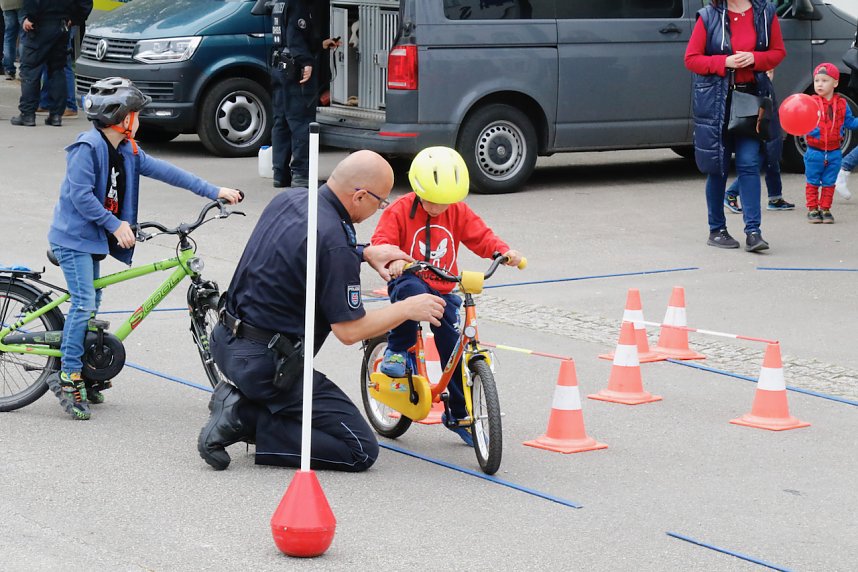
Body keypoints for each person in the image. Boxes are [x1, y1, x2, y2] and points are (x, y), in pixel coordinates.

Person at [198, 150, 445, 472]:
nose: (379, 209)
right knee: (359, 449)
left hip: (225, 342)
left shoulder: (291, 199)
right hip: (266, 367)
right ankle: (243, 416)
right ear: (359, 196)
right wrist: (407, 308)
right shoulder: (335, 242)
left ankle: (247, 404)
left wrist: (363, 252)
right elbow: (350, 331)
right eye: (381, 202)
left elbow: (307, 247)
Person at [46, 77, 242, 420]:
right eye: (136, 114)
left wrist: (214, 190)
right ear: (123, 119)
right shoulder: (87, 148)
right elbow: (80, 196)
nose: (139, 120)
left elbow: (168, 172)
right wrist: (114, 224)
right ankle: (68, 376)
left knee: (93, 301)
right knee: (84, 302)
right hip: (73, 239)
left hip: (92, 240)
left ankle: (87, 369)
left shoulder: (128, 150)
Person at [370, 147, 524, 445]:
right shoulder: (399, 210)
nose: (438, 208)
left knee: (453, 347)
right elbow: (382, 242)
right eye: (431, 201)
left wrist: (503, 252)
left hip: (444, 286)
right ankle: (398, 350)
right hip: (410, 279)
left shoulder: (457, 211)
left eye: (445, 202)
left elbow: (481, 236)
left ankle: (459, 413)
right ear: (418, 189)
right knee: (412, 294)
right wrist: (395, 259)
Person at [684, 0, 785, 252]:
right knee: (717, 166)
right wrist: (724, 62)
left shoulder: (765, 12)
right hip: (717, 102)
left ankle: (753, 232)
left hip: (751, 99)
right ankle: (717, 229)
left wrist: (755, 58)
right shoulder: (708, 15)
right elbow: (692, 59)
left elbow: (778, 52)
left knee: (749, 163)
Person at [268, 0, 339, 188]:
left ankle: (280, 174)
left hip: (279, 66)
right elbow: (295, 37)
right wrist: (306, 61)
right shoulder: (298, 4)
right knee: (301, 121)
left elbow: (288, 36)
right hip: (294, 70)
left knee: (281, 121)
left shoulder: (280, 2)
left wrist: (320, 44)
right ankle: (301, 174)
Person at [724, 69, 794, 214]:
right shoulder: (759, 87)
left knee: (772, 160)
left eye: (770, 72)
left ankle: (775, 197)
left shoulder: (765, 86)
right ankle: (731, 193)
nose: (769, 74)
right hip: (763, 131)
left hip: (769, 130)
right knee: (759, 161)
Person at [11, 0, 91, 127]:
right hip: (61, 26)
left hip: (39, 24)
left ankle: (28, 114)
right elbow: (85, 4)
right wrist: (75, 18)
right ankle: (56, 115)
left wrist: (30, 17)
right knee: (57, 70)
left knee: (30, 70)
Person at [802, 63, 858, 223]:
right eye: (817, 80)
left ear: (835, 83)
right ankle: (813, 209)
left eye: (824, 80)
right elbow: (801, 121)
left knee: (829, 183)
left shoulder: (842, 104)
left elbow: (850, 122)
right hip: (814, 151)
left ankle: (825, 209)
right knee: (812, 182)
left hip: (834, 152)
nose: (819, 84)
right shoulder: (810, 103)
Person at [1, 0, 24, 81]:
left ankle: (9, 70)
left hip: (6, 4)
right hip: (22, 4)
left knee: (9, 36)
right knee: (23, 37)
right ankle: (23, 70)